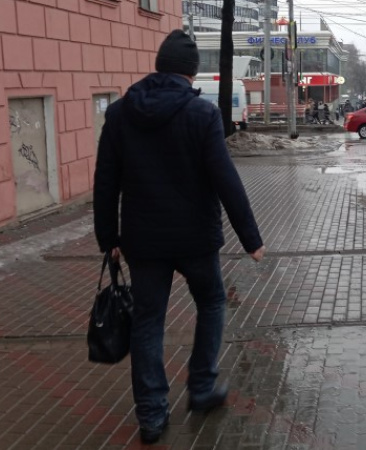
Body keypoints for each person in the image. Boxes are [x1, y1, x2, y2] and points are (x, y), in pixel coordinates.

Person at [93, 30, 265, 445]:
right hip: (195, 240)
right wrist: (251, 239)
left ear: (158, 66)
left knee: (148, 322)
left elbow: (105, 182)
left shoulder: (119, 114)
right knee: (211, 302)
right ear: (191, 74)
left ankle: (152, 416)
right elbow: (225, 179)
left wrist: (108, 237)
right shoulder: (201, 114)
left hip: (143, 242)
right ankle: (201, 388)